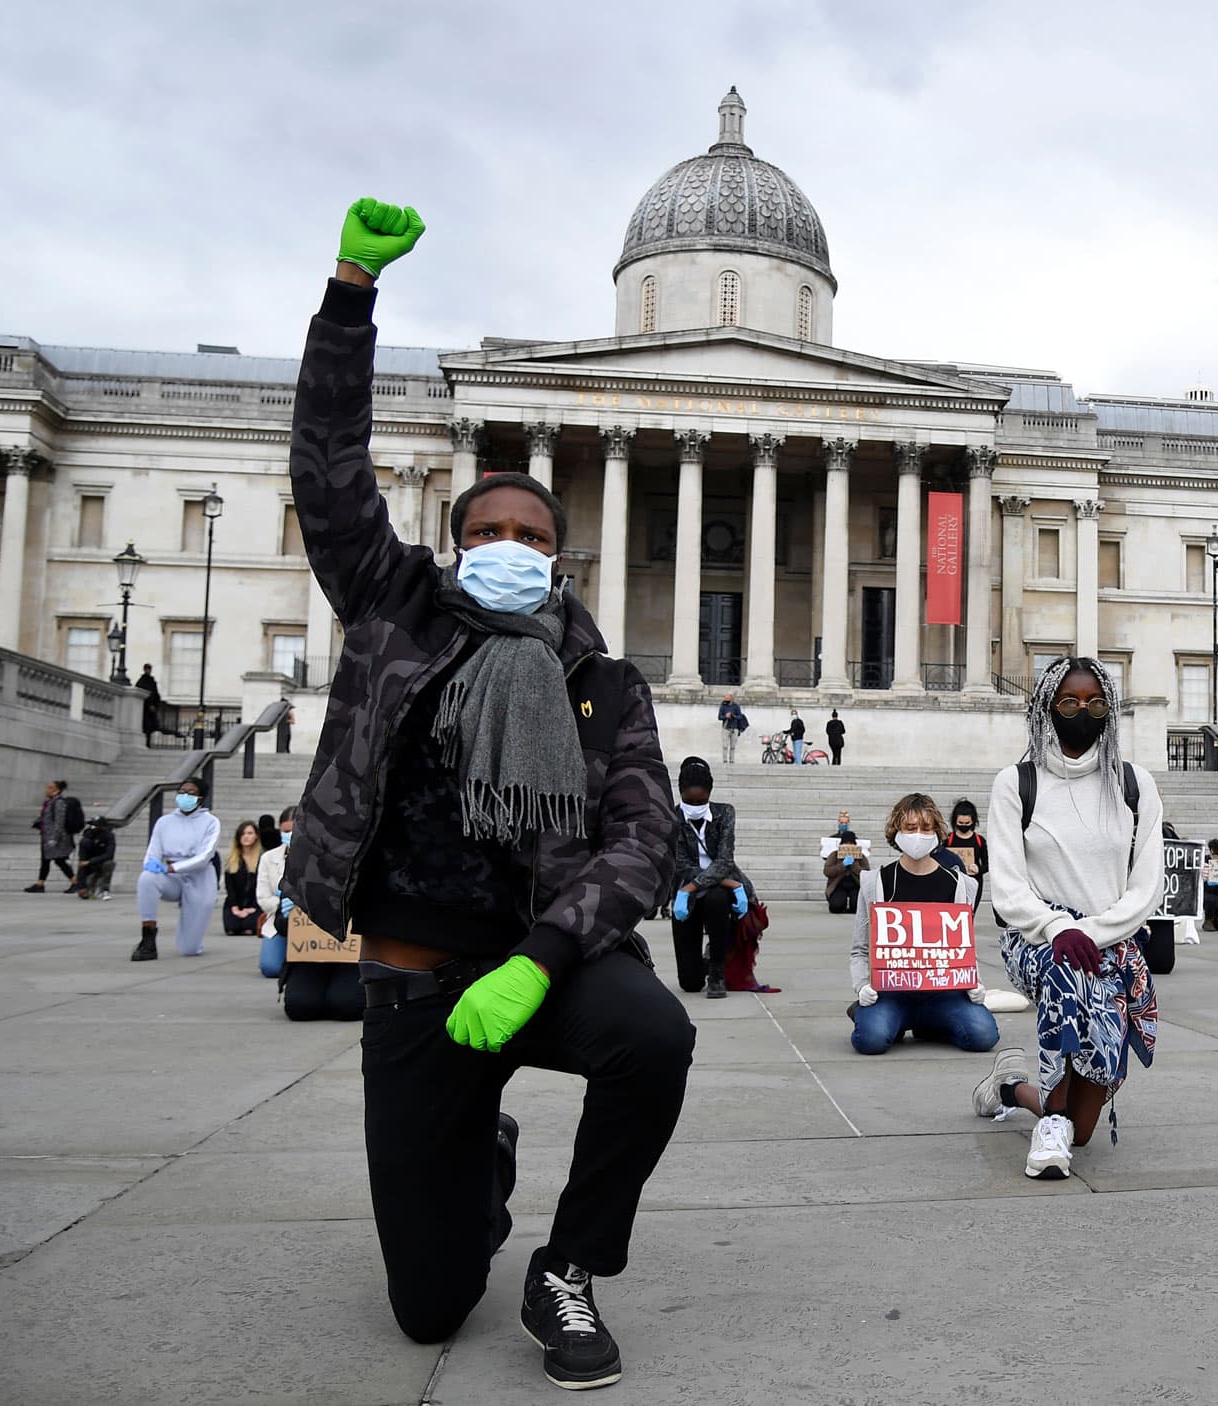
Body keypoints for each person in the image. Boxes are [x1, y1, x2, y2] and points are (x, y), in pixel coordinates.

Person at [285, 201, 692, 1390]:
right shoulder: (393, 607)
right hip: (415, 975)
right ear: (453, 544)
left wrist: (546, 953)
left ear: (557, 561)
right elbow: (327, 468)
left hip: (538, 961)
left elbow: (645, 839)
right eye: (487, 527)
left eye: (529, 531)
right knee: (426, 1306)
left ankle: (567, 1264)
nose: (508, 540)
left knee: (655, 1035)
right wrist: (352, 288)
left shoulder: (604, 682)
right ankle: (481, 1150)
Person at [973, 655, 1163, 1181]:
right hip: (1037, 937)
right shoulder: (1016, 782)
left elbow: (1146, 887)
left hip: (1111, 938)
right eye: (1070, 702)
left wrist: (1093, 931)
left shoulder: (1134, 783)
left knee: (1083, 1129)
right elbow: (1008, 888)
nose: (1084, 711)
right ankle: (1048, 1129)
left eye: (1096, 702)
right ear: (1045, 708)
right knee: (1069, 974)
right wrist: (1059, 927)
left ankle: (1014, 1089)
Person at [848, 793, 999, 1055]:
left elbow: (962, 947)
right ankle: (875, 1013)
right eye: (910, 827)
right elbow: (860, 949)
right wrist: (862, 986)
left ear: (937, 832)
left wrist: (974, 982)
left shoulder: (960, 885)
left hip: (944, 992)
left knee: (983, 1035)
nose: (918, 834)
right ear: (896, 831)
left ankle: (928, 1022)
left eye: (926, 828)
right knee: (870, 1039)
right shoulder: (876, 883)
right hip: (893, 991)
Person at [661, 756, 748, 999]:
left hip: (711, 892)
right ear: (681, 793)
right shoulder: (672, 819)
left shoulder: (725, 813)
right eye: (690, 800)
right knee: (689, 983)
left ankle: (718, 971)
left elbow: (724, 860)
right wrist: (728, 882)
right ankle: (708, 960)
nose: (696, 805)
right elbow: (681, 865)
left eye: (702, 800)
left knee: (717, 899)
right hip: (686, 891)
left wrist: (695, 887)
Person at [265, 806, 363, 1021]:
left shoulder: (361, 869)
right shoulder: (299, 870)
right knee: (300, 1007)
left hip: (349, 958)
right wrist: (287, 916)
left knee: (345, 1006)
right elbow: (281, 928)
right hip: (309, 957)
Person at [134, 778, 221, 960]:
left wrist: (173, 868)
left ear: (201, 798)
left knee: (189, 949)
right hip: (170, 877)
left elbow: (204, 856)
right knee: (147, 878)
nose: (185, 796)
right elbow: (153, 852)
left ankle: (192, 938)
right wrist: (152, 865)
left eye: (191, 793)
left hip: (199, 877)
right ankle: (148, 935)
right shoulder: (164, 822)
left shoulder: (211, 822)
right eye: (181, 792)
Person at [26, 780, 83, 893]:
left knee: (59, 860)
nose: (47, 790)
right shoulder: (51, 802)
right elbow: (48, 818)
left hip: (56, 838)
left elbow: (59, 821)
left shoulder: (58, 803)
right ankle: (40, 884)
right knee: (45, 861)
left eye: (50, 788)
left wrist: (55, 838)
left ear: (56, 790)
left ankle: (76, 882)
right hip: (47, 837)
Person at [223, 820, 266, 936]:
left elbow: (263, 886)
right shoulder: (232, 860)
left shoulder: (263, 859)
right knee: (233, 928)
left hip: (255, 904)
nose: (246, 837)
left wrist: (252, 907)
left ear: (256, 836)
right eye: (243, 834)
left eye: (250, 833)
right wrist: (235, 907)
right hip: (236, 903)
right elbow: (229, 888)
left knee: (249, 928)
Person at [945, 799, 988, 896]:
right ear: (955, 821)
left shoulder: (979, 840)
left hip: (974, 883)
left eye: (967, 823)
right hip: (952, 882)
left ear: (973, 821)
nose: (963, 826)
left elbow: (988, 864)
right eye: (960, 823)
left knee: (970, 910)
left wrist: (978, 869)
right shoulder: (948, 840)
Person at [823, 826, 870, 914]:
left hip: (856, 885)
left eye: (851, 843)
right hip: (838, 885)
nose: (848, 845)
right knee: (836, 907)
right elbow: (827, 871)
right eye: (846, 843)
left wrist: (854, 865)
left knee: (857, 907)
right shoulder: (834, 855)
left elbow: (866, 873)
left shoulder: (861, 856)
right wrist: (842, 865)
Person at [76, 817, 117, 901]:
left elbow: (109, 854)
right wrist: (81, 886)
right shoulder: (85, 840)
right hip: (90, 868)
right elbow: (82, 863)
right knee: (88, 894)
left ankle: (104, 890)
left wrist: (90, 861)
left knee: (110, 864)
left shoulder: (109, 837)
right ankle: (91, 886)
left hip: (101, 863)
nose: (93, 828)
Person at [136, 664, 165, 744]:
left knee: (150, 727)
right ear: (144, 670)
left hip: (151, 708)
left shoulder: (152, 681)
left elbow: (155, 693)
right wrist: (149, 705)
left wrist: (156, 704)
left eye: (149, 669)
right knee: (146, 726)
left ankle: (148, 742)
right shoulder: (142, 681)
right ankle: (145, 743)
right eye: (147, 669)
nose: (148, 671)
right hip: (145, 708)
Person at [716, 693, 749, 764]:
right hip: (726, 728)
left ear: (731, 699)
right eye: (725, 699)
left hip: (734, 728)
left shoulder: (736, 706)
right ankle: (724, 760)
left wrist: (733, 716)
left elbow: (740, 716)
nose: (726, 701)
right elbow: (719, 717)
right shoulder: (723, 706)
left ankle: (732, 760)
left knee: (733, 746)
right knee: (725, 745)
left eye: (727, 699)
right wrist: (725, 716)